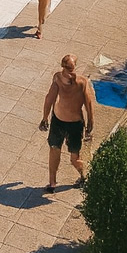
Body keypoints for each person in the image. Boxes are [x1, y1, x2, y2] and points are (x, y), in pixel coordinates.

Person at [40, 53, 94, 194]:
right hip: (70, 123)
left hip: (63, 121)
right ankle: (81, 177)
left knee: (59, 152)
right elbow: (88, 103)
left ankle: (55, 182)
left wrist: (45, 118)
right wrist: (90, 122)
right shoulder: (79, 81)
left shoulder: (61, 79)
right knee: (68, 156)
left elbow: (49, 99)